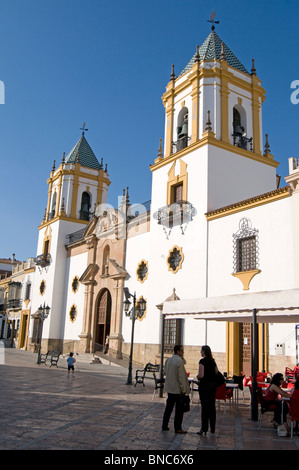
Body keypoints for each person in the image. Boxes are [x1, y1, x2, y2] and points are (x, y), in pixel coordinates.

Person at [162, 345, 190, 434]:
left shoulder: (168, 360)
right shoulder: (179, 362)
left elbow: (165, 372)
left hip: (170, 389)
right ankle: (178, 428)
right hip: (177, 389)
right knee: (179, 410)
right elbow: (181, 377)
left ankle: (164, 425)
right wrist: (183, 389)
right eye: (182, 350)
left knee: (168, 408)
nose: (183, 352)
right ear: (178, 351)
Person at [196, 345, 219, 435]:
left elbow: (201, 375)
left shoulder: (202, 361)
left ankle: (204, 428)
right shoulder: (213, 361)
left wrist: (197, 376)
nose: (200, 352)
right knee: (212, 407)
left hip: (204, 387)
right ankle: (212, 428)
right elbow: (216, 372)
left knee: (205, 408)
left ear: (204, 352)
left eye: (201, 351)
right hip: (212, 387)